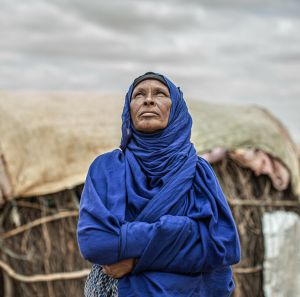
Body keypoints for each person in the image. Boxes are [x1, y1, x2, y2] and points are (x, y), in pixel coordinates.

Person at [77, 72, 241, 297]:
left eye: (160, 94)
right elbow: (95, 242)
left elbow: (222, 246)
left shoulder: (198, 172)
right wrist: (185, 231)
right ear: (129, 108)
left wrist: (134, 261)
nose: (148, 100)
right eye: (139, 95)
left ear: (176, 110)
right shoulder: (107, 168)